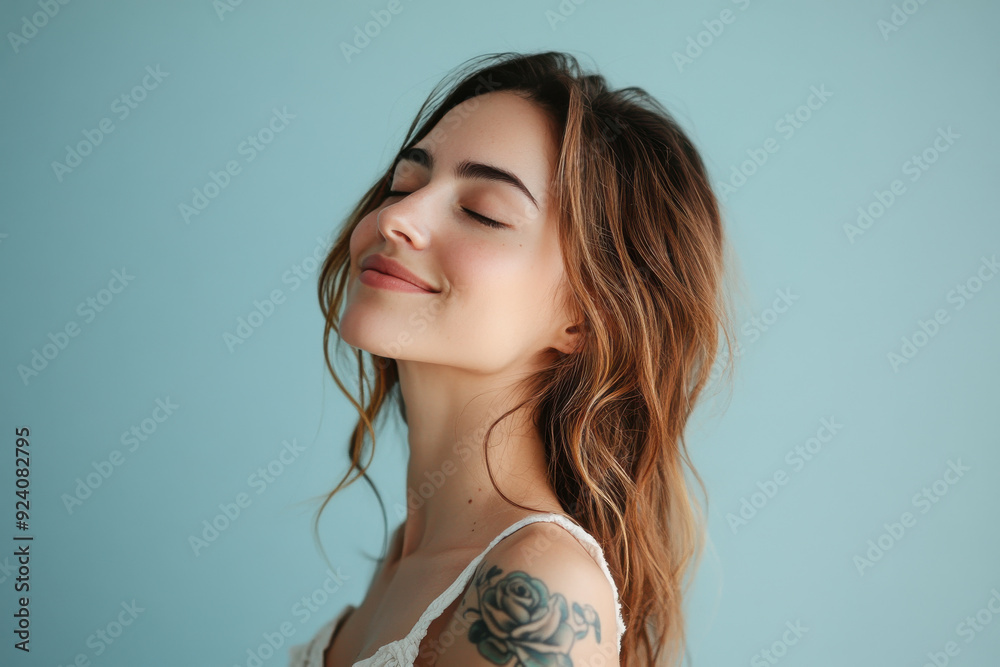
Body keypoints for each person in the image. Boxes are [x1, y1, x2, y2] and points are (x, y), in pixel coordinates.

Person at [288, 50, 737, 667]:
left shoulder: (540, 586)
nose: (395, 218)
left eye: (483, 212)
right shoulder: (409, 555)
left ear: (584, 318)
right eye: (405, 185)